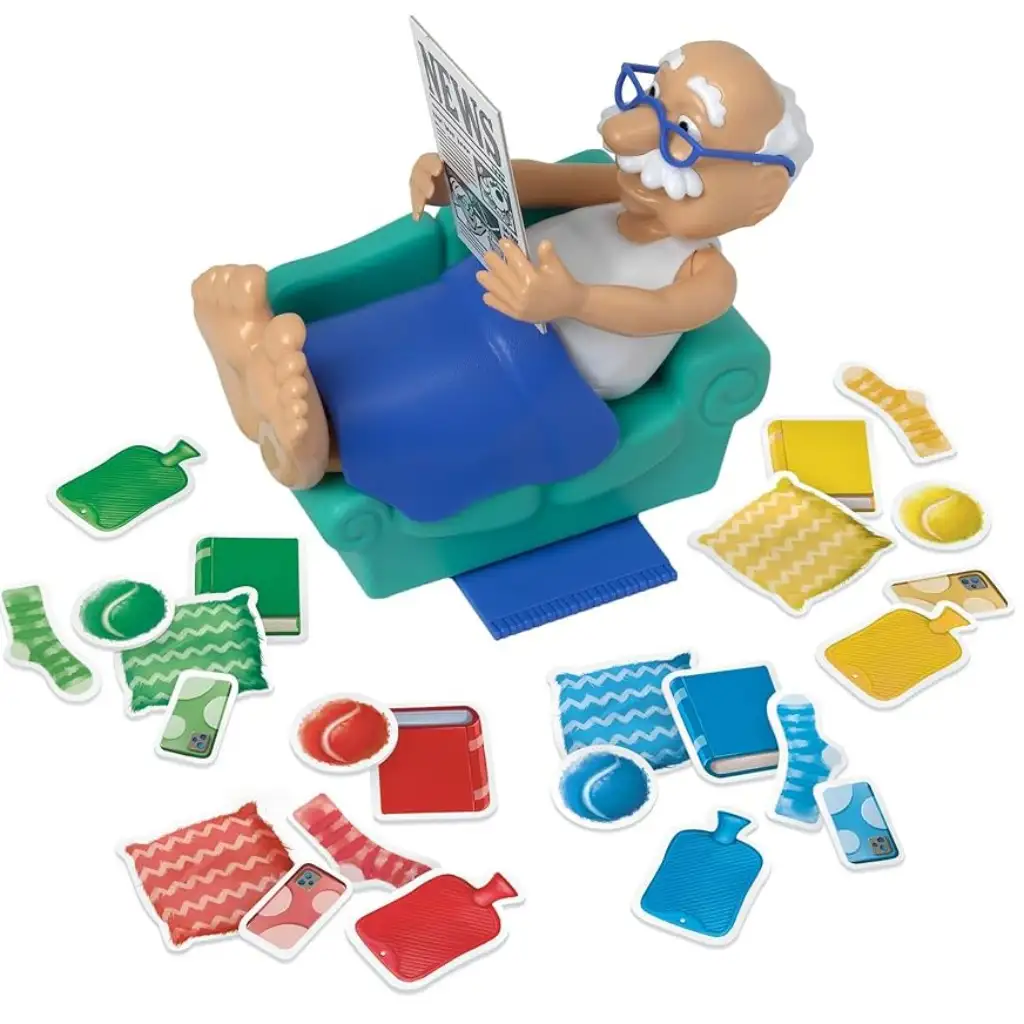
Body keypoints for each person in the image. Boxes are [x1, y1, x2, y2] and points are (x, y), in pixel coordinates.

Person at [193, 40, 811, 489]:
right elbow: (535, 180)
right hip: (478, 296)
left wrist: (573, 301)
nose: (629, 136)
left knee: (435, 396)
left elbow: (658, 312)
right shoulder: (612, 188)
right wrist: (461, 178)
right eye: (650, 98)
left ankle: (314, 454)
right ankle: (255, 378)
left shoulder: (707, 274)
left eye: (683, 128)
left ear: (758, 197)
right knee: (387, 333)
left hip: (545, 376)